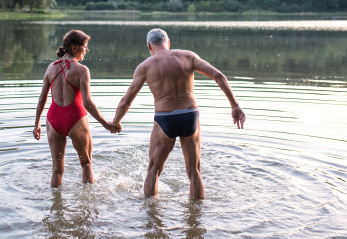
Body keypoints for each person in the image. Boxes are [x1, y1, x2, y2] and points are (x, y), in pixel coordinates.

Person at [111, 28, 245, 199]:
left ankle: (151, 216)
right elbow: (218, 75)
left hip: (164, 118)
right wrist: (235, 106)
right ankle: (195, 219)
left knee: (153, 170)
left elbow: (126, 101)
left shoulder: (145, 67)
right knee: (195, 172)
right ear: (168, 43)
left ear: (148, 46)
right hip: (190, 115)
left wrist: (116, 121)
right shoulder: (188, 56)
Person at [33, 30, 116, 187]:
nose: (87, 50)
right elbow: (88, 103)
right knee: (86, 164)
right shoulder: (82, 70)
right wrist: (106, 124)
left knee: (57, 170)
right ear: (75, 47)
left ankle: (56, 210)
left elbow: (42, 98)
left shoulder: (51, 68)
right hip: (75, 119)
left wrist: (36, 124)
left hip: (53, 120)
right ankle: (87, 207)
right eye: (85, 46)